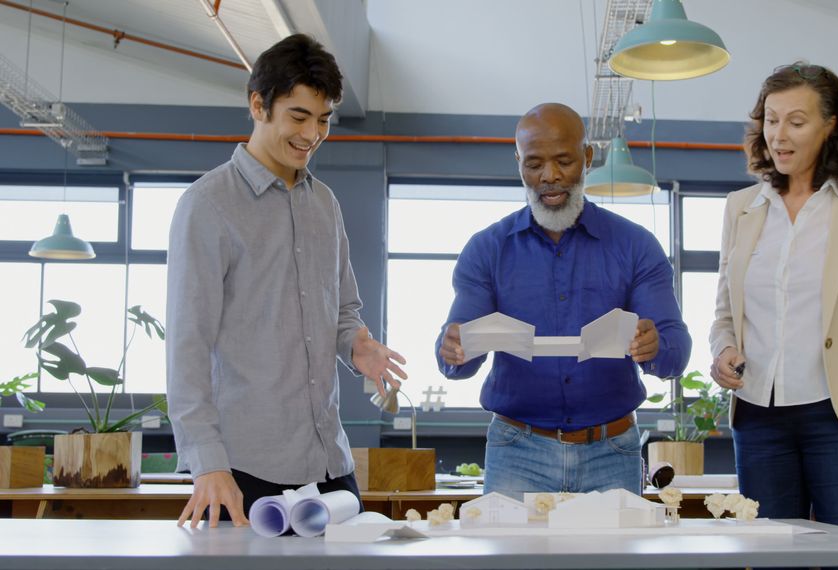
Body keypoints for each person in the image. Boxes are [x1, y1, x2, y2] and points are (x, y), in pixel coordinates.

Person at [166, 34, 407, 528]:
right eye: (298, 117)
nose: (312, 134)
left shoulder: (326, 205)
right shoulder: (207, 206)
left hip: (329, 464)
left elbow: (342, 312)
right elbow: (187, 344)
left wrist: (355, 346)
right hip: (243, 469)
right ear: (259, 104)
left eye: (323, 120)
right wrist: (207, 461)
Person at [708, 63, 838, 539]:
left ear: (831, 126)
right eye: (770, 119)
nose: (778, 135)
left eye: (796, 122)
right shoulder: (740, 207)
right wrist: (723, 349)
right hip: (759, 418)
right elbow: (726, 312)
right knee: (769, 560)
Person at [436, 103, 691, 500]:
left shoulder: (635, 245)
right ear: (518, 162)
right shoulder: (487, 250)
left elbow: (676, 352)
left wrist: (656, 346)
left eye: (564, 161)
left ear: (587, 158)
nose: (550, 177)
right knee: (512, 564)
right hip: (516, 452)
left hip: (611, 450)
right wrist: (452, 350)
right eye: (534, 164)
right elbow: (457, 361)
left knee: (612, 564)